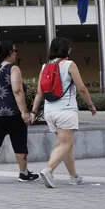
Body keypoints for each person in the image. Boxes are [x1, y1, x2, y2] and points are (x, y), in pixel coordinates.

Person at [30, 37, 97, 188]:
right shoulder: (69, 65)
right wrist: (90, 104)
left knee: (67, 144)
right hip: (66, 110)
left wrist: (34, 111)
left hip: (49, 111)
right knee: (64, 143)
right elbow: (81, 88)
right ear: (66, 50)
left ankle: (74, 176)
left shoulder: (44, 67)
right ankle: (48, 170)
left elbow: (39, 92)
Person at [0, 40, 39, 184]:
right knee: (19, 141)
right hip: (11, 113)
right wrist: (24, 112)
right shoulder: (13, 69)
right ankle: (24, 173)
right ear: (9, 53)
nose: (16, 53)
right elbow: (17, 91)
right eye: (15, 51)